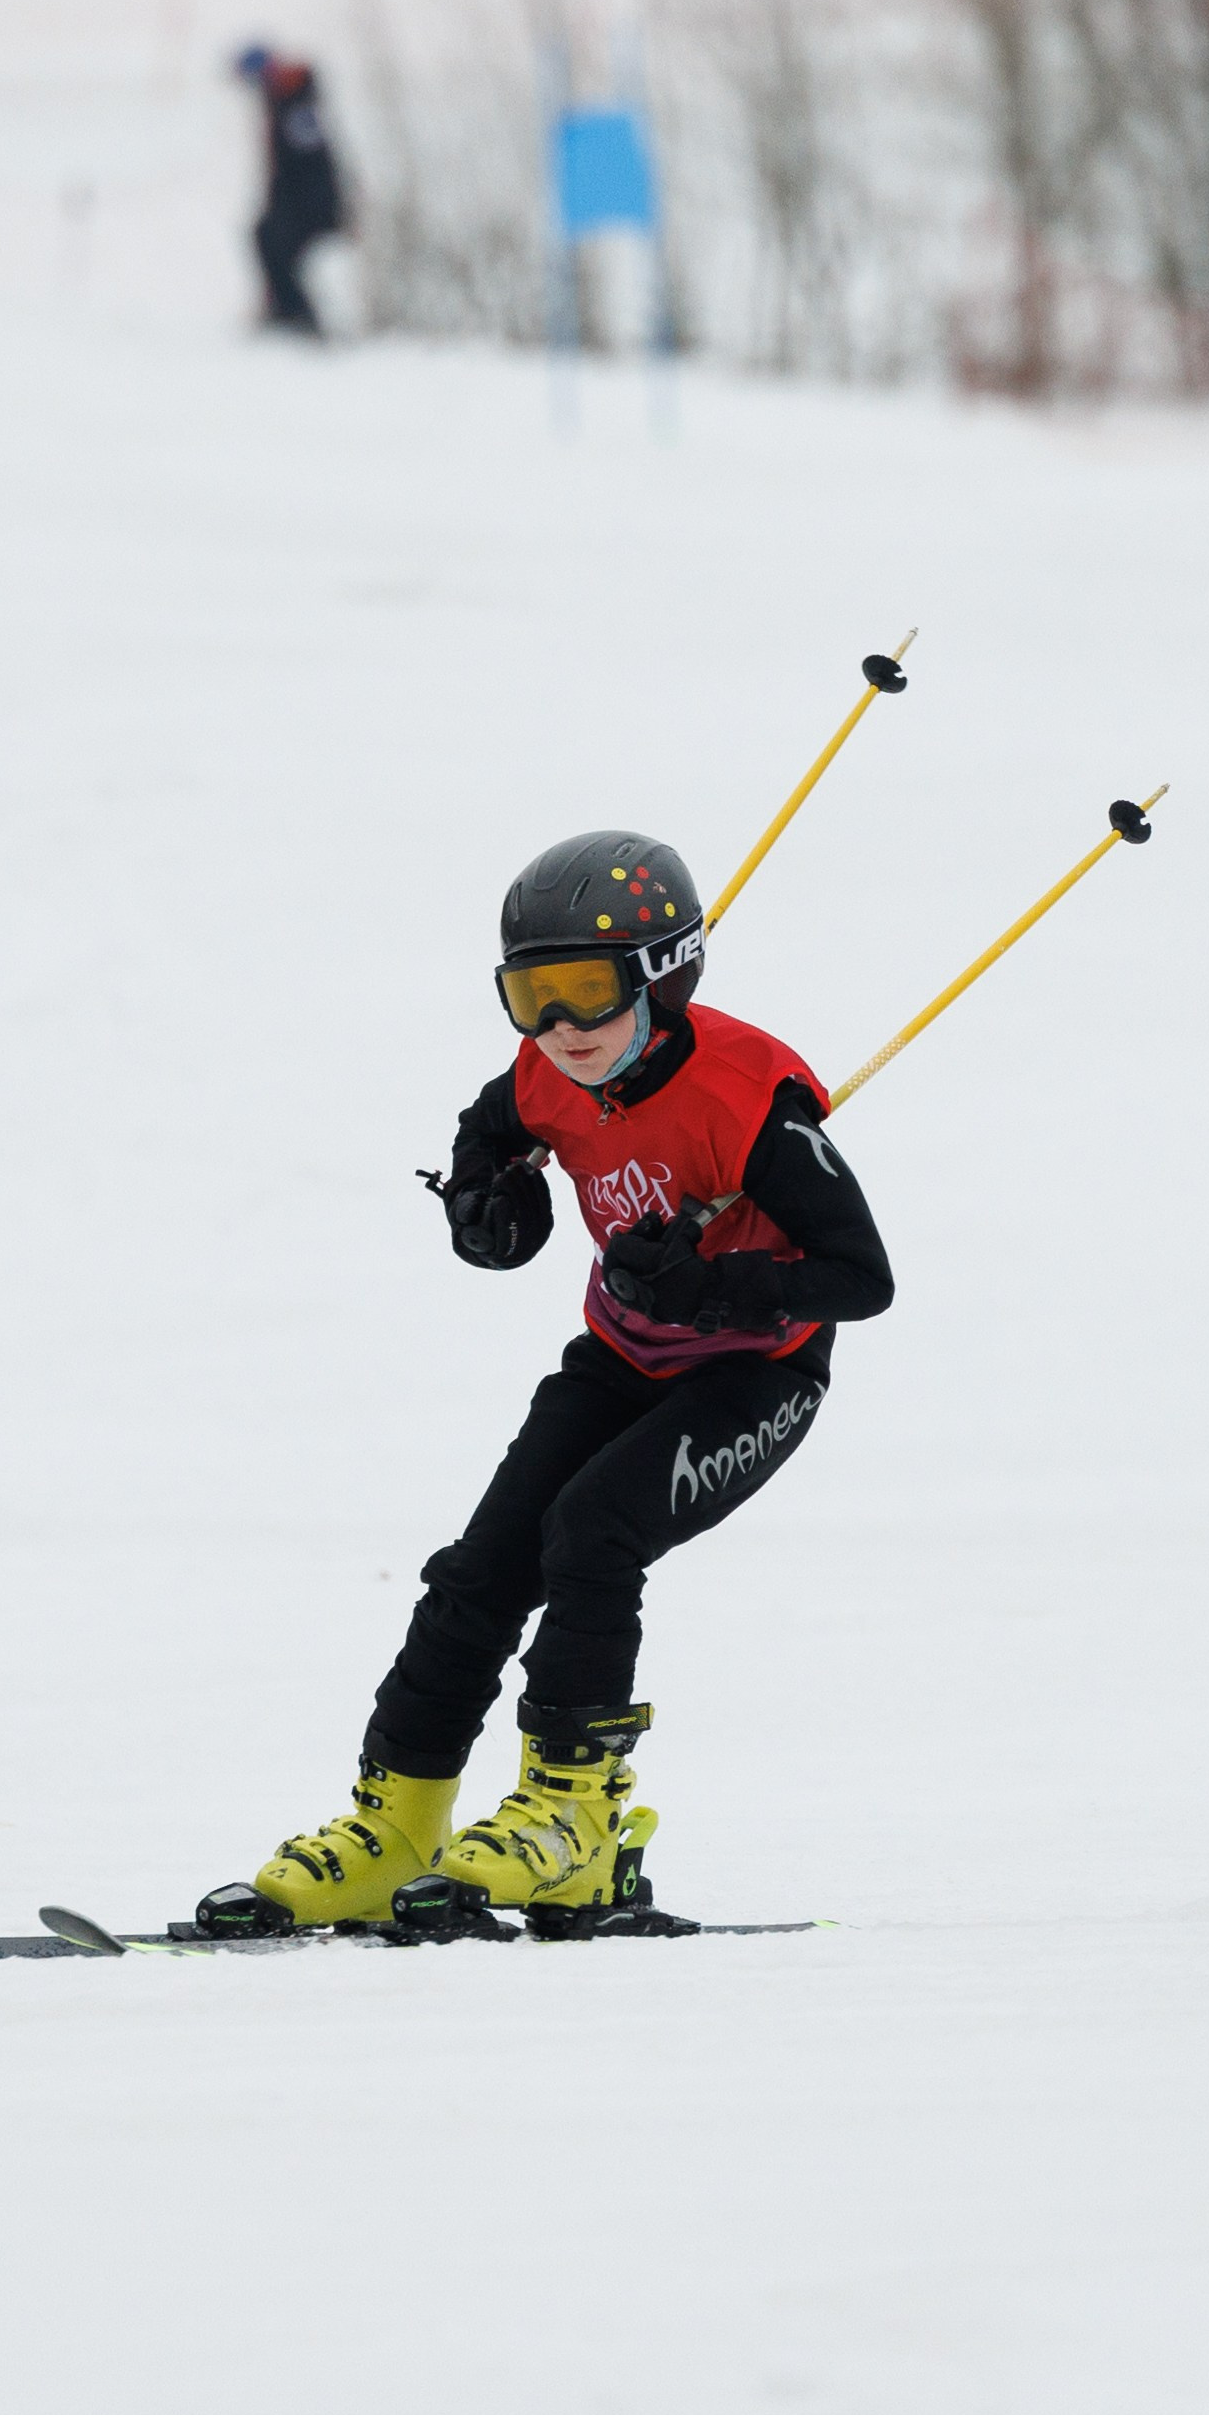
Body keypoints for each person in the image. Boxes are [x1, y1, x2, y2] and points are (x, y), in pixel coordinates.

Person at [204, 830, 894, 1939]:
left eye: (586, 991)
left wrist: (715, 1288)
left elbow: (863, 1280)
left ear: (664, 979)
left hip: (757, 1379)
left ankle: (574, 1824)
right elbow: (490, 1138)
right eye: (530, 995)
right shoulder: (544, 1073)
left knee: (593, 1530)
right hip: (620, 1358)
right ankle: (396, 1830)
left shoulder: (751, 1101)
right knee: (483, 1568)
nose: (558, 1029)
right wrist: (486, 1204)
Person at [233, 43, 344, 337]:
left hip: (312, 204)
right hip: (295, 203)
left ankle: (299, 317)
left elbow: (311, 161)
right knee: (267, 237)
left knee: (274, 241)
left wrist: (308, 203)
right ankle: (284, 312)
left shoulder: (296, 105)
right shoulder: (284, 102)